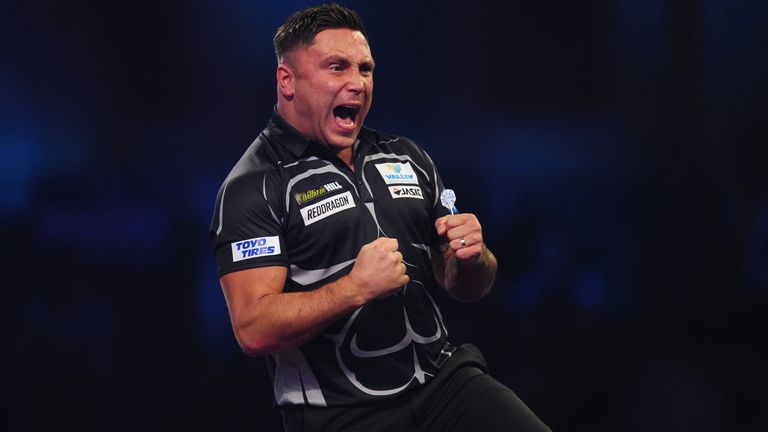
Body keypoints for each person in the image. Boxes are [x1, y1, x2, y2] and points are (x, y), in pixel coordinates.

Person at [209, 4, 550, 431]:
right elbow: (253, 329)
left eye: (365, 69)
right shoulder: (252, 186)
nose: (357, 83)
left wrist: (473, 258)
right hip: (340, 412)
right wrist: (354, 287)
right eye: (337, 67)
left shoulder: (407, 156)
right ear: (288, 80)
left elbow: (467, 287)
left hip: (444, 383)